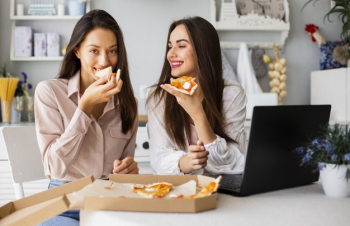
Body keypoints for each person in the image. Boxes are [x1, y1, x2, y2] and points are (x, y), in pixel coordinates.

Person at [35, 10, 138, 225]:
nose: (104, 61)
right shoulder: (50, 92)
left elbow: (125, 169)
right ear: (77, 51)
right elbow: (54, 168)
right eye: (94, 50)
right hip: (64, 204)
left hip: (111, 202)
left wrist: (129, 170)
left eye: (112, 51)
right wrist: (85, 107)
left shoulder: (128, 104)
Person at [147, 16, 246, 175]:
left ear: (203, 50)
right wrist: (188, 161)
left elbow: (231, 162)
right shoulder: (159, 98)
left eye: (181, 46)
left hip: (224, 188)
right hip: (178, 191)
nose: (171, 54)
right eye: (170, 46)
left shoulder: (231, 93)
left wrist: (197, 113)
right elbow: (160, 162)